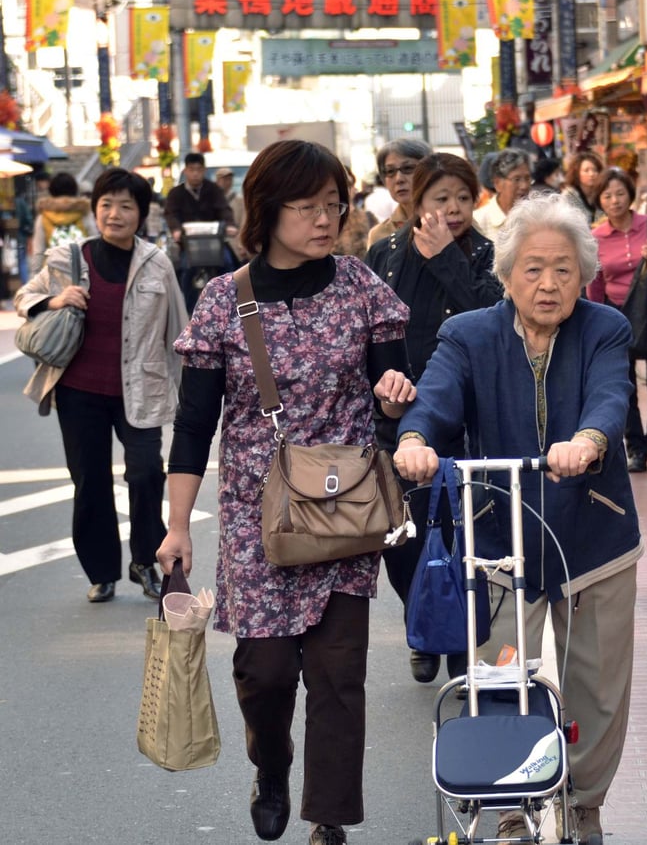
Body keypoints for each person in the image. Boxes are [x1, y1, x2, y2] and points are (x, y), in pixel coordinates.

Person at [155, 140, 414, 845]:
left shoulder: (362, 290)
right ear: (268, 213)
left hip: (347, 509)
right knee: (264, 673)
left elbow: (397, 403)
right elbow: (194, 427)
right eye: (308, 207)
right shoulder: (221, 302)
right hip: (256, 518)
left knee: (337, 677)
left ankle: (328, 817)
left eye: (335, 204)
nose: (325, 219)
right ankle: (271, 765)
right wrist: (177, 526)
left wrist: (395, 399)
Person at [394, 192, 642, 844]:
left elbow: (610, 396)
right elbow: (437, 397)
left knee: (598, 690)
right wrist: (417, 440)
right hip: (499, 540)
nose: (549, 283)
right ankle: (507, 807)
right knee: (499, 678)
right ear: (506, 276)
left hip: (595, 534)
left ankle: (584, 804)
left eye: (563, 268)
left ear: (583, 274)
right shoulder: (468, 334)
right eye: (532, 268)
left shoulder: (604, 329)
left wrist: (588, 440)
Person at [14, 167, 187, 603]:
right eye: (107, 204)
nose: (115, 214)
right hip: (80, 392)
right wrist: (56, 298)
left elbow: (179, 331)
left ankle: (146, 561)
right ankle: (102, 570)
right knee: (89, 480)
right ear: (95, 210)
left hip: (141, 390)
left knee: (147, 473)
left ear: (141, 215)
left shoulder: (156, 263)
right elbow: (24, 298)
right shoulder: (67, 258)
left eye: (126, 206)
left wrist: (189, 392)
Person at [365, 152, 504, 683]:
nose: (453, 209)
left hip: (469, 419)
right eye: (440, 199)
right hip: (398, 419)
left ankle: (461, 639)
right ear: (416, 201)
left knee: (466, 534)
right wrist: (380, 395)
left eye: (463, 199)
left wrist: (449, 257)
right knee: (403, 540)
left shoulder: (489, 254)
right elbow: (369, 337)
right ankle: (419, 620)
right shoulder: (385, 255)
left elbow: (490, 319)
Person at [586, 166, 647, 472]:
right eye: (607, 195)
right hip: (615, 315)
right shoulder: (595, 236)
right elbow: (593, 282)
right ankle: (636, 448)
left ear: (630, 194)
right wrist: (595, 320)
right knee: (625, 386)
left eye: (620, 193)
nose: (614, 200)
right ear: (600, 200)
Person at [164, 152, 238, 311]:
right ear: (185, 171)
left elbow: (224, 209)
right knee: (186, 270)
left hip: (214, 242)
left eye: (199, 169)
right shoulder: (176, 193)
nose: (195, 173)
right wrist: (176, 230)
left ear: (204, 170)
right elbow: (171, 214)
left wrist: (230, 225)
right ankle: (188, 310)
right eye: (192, 169)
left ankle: (231, 304)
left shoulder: (214, 190)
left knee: (228, 264)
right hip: (189, 244)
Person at [366, 138, 432, 249]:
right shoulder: (379, 235)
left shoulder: (453, 223)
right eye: (390, 171)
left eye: (408, 168)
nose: (399, 179)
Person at [29, 171, 97, 275]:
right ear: (75, 190)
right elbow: (95, 244)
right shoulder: (84, 213)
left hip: (52, 274)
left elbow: (38, 252)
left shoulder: (43, 217)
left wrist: (34, 277)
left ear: (51, 191)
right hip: (82, 273)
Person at [472, 148, 532, 241]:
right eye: (516, 179)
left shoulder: (536, 218)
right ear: (497, 183)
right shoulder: (478, 221)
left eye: (527, 179)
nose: (524, 186)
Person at [215, 166, 249, 263]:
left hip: (234, 241)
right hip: (215, 242)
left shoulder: (240, 200)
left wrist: (242, 243)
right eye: (223, 179)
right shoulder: (212, 199)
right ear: (217, 180)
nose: (226, 182)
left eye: (229, 179)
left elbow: (244, 222)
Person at [562, 149, 604, 223]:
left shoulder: (602, 194)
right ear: (577, 173)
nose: (591, 174)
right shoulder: (568, 197)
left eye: (595, 170)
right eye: (586, 170)